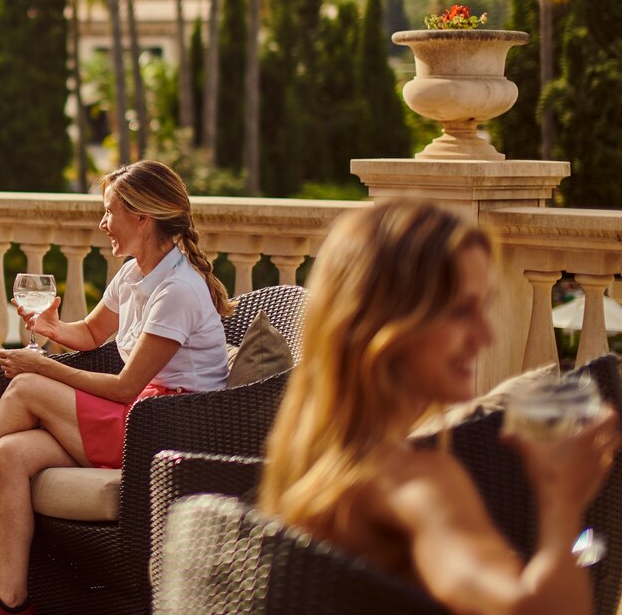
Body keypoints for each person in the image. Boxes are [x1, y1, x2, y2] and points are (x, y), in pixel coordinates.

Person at [0, 160, 231, 615]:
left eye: (109, 211)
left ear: (142, 218)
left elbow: (124, 386)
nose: (103, 223)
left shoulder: (178, 290)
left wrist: (43, 366)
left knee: (27, 387)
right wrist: (52, 327)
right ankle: (11, 602)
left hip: (168, 433)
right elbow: (91, 334)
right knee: (10, 453)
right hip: (138, 415)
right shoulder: (134, 274)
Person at [259, 200, 619, 615]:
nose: (486, 336)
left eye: (483, 307)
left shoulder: (307, 464)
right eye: (460, 311)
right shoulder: (416, 482)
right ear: (387, 325)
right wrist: (562, 502)